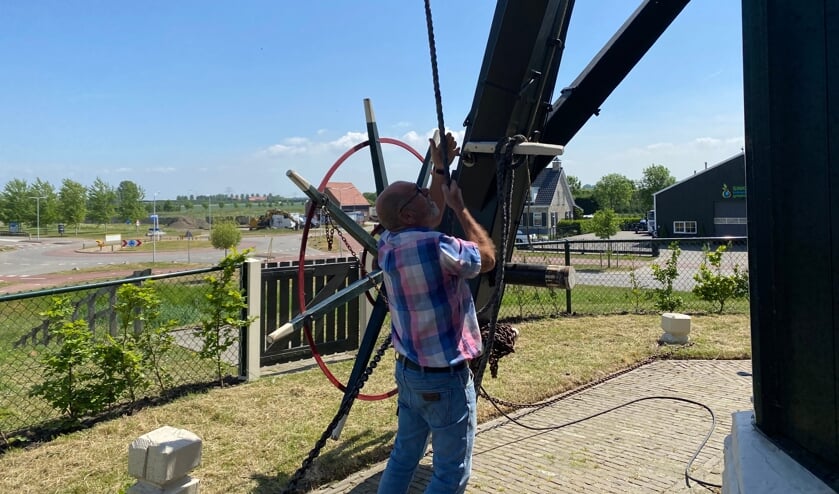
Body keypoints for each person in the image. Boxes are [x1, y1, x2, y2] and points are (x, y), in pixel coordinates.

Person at [375, 133, 496, 494]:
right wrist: (460, 207)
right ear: (409, 213)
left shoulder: (388, 244)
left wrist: (440, 166)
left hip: (409, 373)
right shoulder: (439, 246)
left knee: (403, 457)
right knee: (450, 472)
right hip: (445, 380)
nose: (428, 194)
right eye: (419, 194)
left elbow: (430, 215)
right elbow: (487, 259)